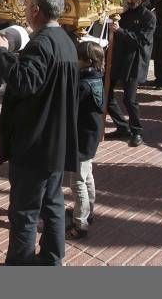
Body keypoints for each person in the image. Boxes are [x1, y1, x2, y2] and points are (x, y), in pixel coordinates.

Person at [0, 0, 79, 266]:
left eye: (27, 5)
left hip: (35, 142)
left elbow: (24, 82)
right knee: (52, 204)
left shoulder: (41, 43)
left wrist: (2, 52)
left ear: (36, 10)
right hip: (55, 140)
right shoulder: (65, 40)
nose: (25, 10)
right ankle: (51, 259)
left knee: (24, 211)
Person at [105, 0, 156, 146]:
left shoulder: (148, 17)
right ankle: (122, 126)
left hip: (134, 62)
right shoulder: (125, 13)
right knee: (107, 95)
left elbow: (141, 41)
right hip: (117, 58)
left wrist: (120, 30)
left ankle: (137, 131)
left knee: (129, 99)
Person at [66, 41, 104, 240]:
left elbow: (69, 106)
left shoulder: (83, 84)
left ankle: (80, 223)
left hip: (82, 137)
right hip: (91, 136)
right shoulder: (97, 77)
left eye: (77, 58)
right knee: (87, 175)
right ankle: (89, 212)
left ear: (87, 61)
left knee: (77, 181)